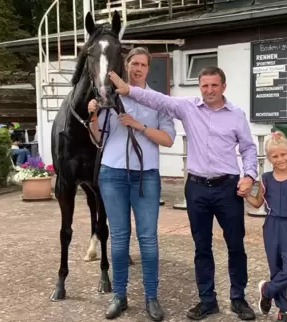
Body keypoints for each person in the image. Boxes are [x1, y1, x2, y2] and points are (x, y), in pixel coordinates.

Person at [108, 66, 258, 321]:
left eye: (214, 85)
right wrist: (127, 89)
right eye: (204, 85)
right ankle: (207, 301)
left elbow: (248, 148)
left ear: (223, 86)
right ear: (200, 87)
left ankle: (238, 299)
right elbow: (158, 99)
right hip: (197, 187)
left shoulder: (236, 115)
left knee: (235, 245)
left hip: (227, 188)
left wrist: (249, 175)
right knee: (202, 246)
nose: (209, 90)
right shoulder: (188, 107)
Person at [88, 47, 176, 321]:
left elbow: (168, 139)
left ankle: (151, 297)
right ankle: (120, 296)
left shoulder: (158, 100)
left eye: (143, 65)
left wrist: (139, 125)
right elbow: (97, 137)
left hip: (145, 176)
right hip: (112, 174)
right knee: (119, 239)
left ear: (148, 69)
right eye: (133, 64)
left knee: (148, 239)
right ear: (126, 66)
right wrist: (92, 113)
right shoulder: (108, 97)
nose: (138, 69)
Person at [242, 131, 287, 322]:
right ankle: (283, 310)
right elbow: (257, 202)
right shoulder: (265, 179)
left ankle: (267, 290)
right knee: (277, 269)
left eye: (283, 154)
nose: (280, 159)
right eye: (275, 156)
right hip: (271, 227)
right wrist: (245, 194)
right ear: (269, 158)